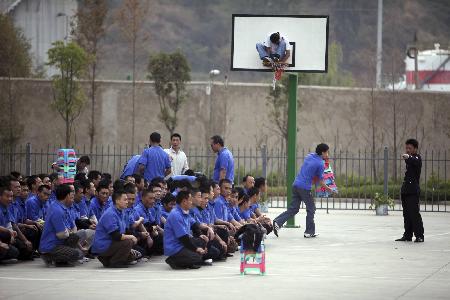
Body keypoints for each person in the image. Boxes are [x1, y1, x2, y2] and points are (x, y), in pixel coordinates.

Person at [273, 143, 335, 238]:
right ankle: (309, 232)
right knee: (311, 208)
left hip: (296, 184)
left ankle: (277, 222)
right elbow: (320, 181)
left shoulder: (309, 156)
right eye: (327, 152)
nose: (328, 155)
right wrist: (329, 189)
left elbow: (310, 171)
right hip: (305, 188)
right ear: (323, 152)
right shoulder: (320, 163)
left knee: (293, 209)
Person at [91, 190, 139, 268]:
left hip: (112, 243)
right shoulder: (110, 214)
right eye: (125, 200)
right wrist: (132, 237)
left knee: (135, 255)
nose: (127, 202)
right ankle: (115, 262)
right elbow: (116, 236)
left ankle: (107, 259)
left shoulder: (121, 212)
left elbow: (125, 230)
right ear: (117, 201)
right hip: (104, 245)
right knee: (128, 242)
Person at [39, 184, 84, 266]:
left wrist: (68, 232)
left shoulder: (62, 207)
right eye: (71, 194)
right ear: (67, 196)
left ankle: (61, 259)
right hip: (51, 246)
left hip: (59, 242)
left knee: (75, 237)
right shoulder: (57, 210)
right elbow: (61, 234)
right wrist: (68, 231)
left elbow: (73, 228)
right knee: (76, 254)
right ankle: (49, 257)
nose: (72, 197)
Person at [164, 190, 209, 270]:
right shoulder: (176, 215)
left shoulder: (185, 212)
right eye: (190, 200)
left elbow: (194, 224)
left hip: (183, 243)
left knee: (202, 241)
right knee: (197, 257)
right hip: (176, 247)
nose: (192, 202)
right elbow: (183, 238)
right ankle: (173, 260)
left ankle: (190, 258)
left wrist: (200, 235)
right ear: (184, 201)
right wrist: (196, 249)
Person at [396, 139, 424, 243]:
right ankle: (407, 235)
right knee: (406, 214)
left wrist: (409, 157)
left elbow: (414, 160)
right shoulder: (409, 160)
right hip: (406, 190)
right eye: (406, 148)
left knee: (414, 214)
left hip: (413, 191)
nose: (407, 150)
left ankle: (419, 236)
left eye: (410, 148)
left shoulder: (417, 158)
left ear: (415, 149)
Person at [0, 186, 34, 261]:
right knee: (13, 251)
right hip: (2, 237)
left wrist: (12, 234)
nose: (10, 199)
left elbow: (11, 225)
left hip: (6, 237)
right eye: (7, 196)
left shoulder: (6, 208)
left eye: (11, 196)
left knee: (27, 251)